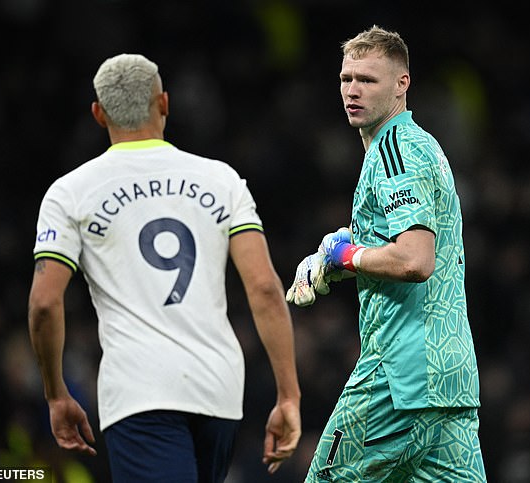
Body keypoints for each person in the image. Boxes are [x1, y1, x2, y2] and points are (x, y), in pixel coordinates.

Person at [28, 53, 301, 482]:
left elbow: (44, 304)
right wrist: (289, 395)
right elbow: (265, 288)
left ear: (98, 114)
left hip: (138, 392)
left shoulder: (70, 193)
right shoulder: (221, 179)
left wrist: (55, 393)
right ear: (165, 104)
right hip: (218, 390)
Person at [286, 26, 486, 482]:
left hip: (398, 379)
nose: (352, 90)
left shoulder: (394, 150)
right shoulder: (423, 146)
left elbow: (415, 260)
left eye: (368, 80)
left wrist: (346, 257)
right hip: (451, 381)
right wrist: (342, 260)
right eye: (346, 78)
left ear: (402, 84)